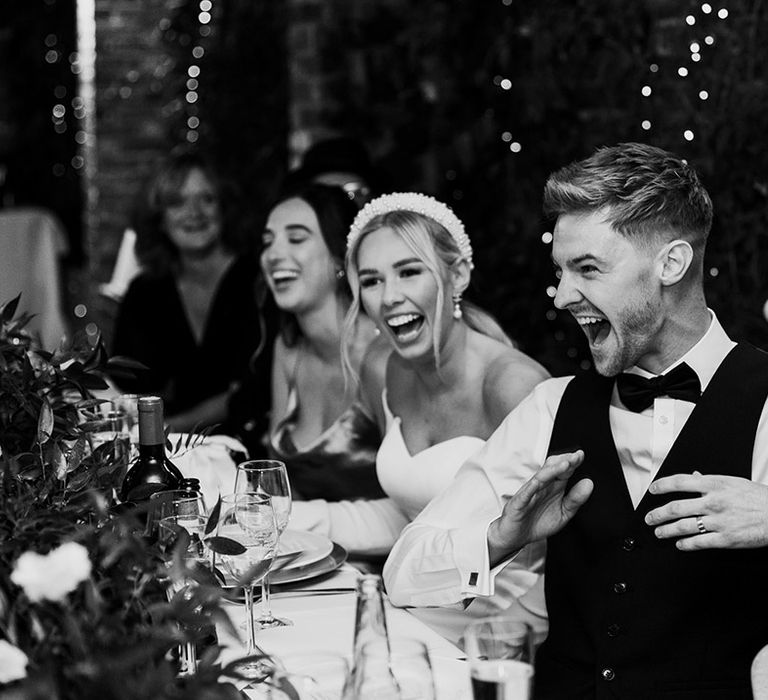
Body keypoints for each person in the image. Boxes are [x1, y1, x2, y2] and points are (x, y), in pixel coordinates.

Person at [383, 143, 768, 698]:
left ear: (672, 263)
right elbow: (405, 574)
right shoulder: (549, 408)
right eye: (560, 271)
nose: (563, 295)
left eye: (587, 268)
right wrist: (497, 539)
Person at [291, 193, 549, 605]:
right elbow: (411, 516)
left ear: (458, 275)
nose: (388, 296)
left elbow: (550, 550)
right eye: (372, 280)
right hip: (414, 593)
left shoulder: (513, 386)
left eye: (408, 272)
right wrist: (278, 517)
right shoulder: (381, 368)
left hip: (506, 616)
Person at [112, 151, 267, 433]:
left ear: (226, 208)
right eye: (177, 202)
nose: (194, 213)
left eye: (207, 199)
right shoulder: (144, 292)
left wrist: (167, 429)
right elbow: (129, 389)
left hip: (250, 448)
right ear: (158, 217)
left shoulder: (259, 278)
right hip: (168, 453)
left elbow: (255, 388)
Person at [261, 183, 384, 501]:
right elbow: (279, 486)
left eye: (297, 238)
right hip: (308, 547)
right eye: (268, 242)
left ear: (339, 257)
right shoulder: (288, 349)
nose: (274, 255)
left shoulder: (383, 350)